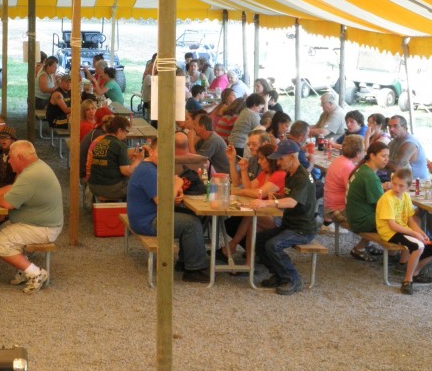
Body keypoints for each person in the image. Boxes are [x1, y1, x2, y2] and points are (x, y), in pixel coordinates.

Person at [0, 141, 63, 293]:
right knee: (5, 229)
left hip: (43, 228)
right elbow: (14, 189)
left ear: (20, 158)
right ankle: (24, 269)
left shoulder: (31, 175)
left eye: (10, 157)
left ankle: (35, 273)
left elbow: (6, 203)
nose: (8, 160)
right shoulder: (36, 168)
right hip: (42, 223)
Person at [126, 137, 210, 283]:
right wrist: (178, 185)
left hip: (145, 216)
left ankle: (185, 261)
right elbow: (163, 203)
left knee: (193, 215)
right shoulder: (148, 171)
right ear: (151, 151)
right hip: (146, 222)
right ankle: (194, 270)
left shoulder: (151, 167)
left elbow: (168, 186)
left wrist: (178, 191)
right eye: (161, 152)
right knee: (191, 223)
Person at [251, 139, 318, 295]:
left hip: (303, 229)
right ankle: (279, 275)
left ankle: (292, 279)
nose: (278, 162)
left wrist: (268, 203)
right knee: (259, 240)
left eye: (281, 158)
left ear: (292, 157)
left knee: (273, 245)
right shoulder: (291, 173)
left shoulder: (301, 177)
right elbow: (290, 195)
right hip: (290, 225)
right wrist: (278, 196)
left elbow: (292, 202)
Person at [375, 168, 432, 294]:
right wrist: (414, 233)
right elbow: (392, 225)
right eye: (394, 184)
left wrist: (422, 233)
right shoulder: (387, 198)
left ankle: (415, 272)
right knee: (418, 246)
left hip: (402, 229)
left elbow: (410, 220)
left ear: (408, 187)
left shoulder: (405, 197)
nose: (396, 188)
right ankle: (407, 280)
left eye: (401, 186)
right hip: (389, 232)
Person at [223, 143, 286, 264]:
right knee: (252, 225)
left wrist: (239, 191)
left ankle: (232, 244)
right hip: (266, 213)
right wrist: (244, 170)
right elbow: (250, 187)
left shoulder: (279, 175)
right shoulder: (266, 173)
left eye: (262, 158)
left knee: (251, 214)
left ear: (270, 160)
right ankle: (248, 265)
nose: (259, 162)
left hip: (278, 217)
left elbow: (259, 193)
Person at [346, 141, 390, 261]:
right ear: (372, 155)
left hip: (354, 215)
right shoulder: (369, 176)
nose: (386, 159)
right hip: (361, 220)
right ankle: (395, 255)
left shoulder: (363, 169)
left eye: (388, 156)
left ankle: (362, 247)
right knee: (398, 217)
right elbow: (382, 205)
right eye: (383, 156)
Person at [87, 116, 144, 200]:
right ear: (120, 130)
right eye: (126, 132)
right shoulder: (119, 145)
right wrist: (139, 160)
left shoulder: (100, 142)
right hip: (110, 188)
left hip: (93, 186)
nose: (126, 135)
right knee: (139, 184)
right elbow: (127, 172)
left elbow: (110, 161)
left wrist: (126, 157)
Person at [322, 134, 365, 234]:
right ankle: (363, 246)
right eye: (363, 150)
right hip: (337, 211)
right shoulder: (348, 167)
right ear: (358, 153)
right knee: (371, 216)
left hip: (328, 207)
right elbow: (354, 193)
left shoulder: (339, 159)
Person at [386, 115, 429, 180]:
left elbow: (397, 167)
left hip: (416, 186)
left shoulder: (410, 143)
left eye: (395, 126)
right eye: (389, 126)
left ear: (405, 127)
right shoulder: (393, 142)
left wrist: (378, 159)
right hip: (399, 182)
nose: (391, 129)